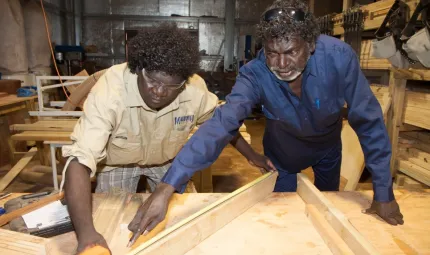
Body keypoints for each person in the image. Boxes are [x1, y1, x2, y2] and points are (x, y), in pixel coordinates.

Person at [127, 0, 404, 238]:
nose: (281, 65)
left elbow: (368, 122)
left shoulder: (339, 58)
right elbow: (221, 125)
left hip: (327, 150)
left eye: (291, 53)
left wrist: (383, 191)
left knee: (324, 213)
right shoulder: (254, 74)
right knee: (281, 220)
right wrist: (166, 186)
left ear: (310, 45)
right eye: (272, 53)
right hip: (281, 156)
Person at [60, 23, 264, 253]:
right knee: (109, 223)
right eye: (153, 82)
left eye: (170, 86)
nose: (159, 91)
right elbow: (80, 160)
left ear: (183, 82)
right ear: (139, 70)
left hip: (167, 162)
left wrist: (253, 156)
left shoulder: (194, 88)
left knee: (183, 226)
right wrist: (86, 234)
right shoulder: (111, 89)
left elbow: (221, 125)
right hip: (117, 163)